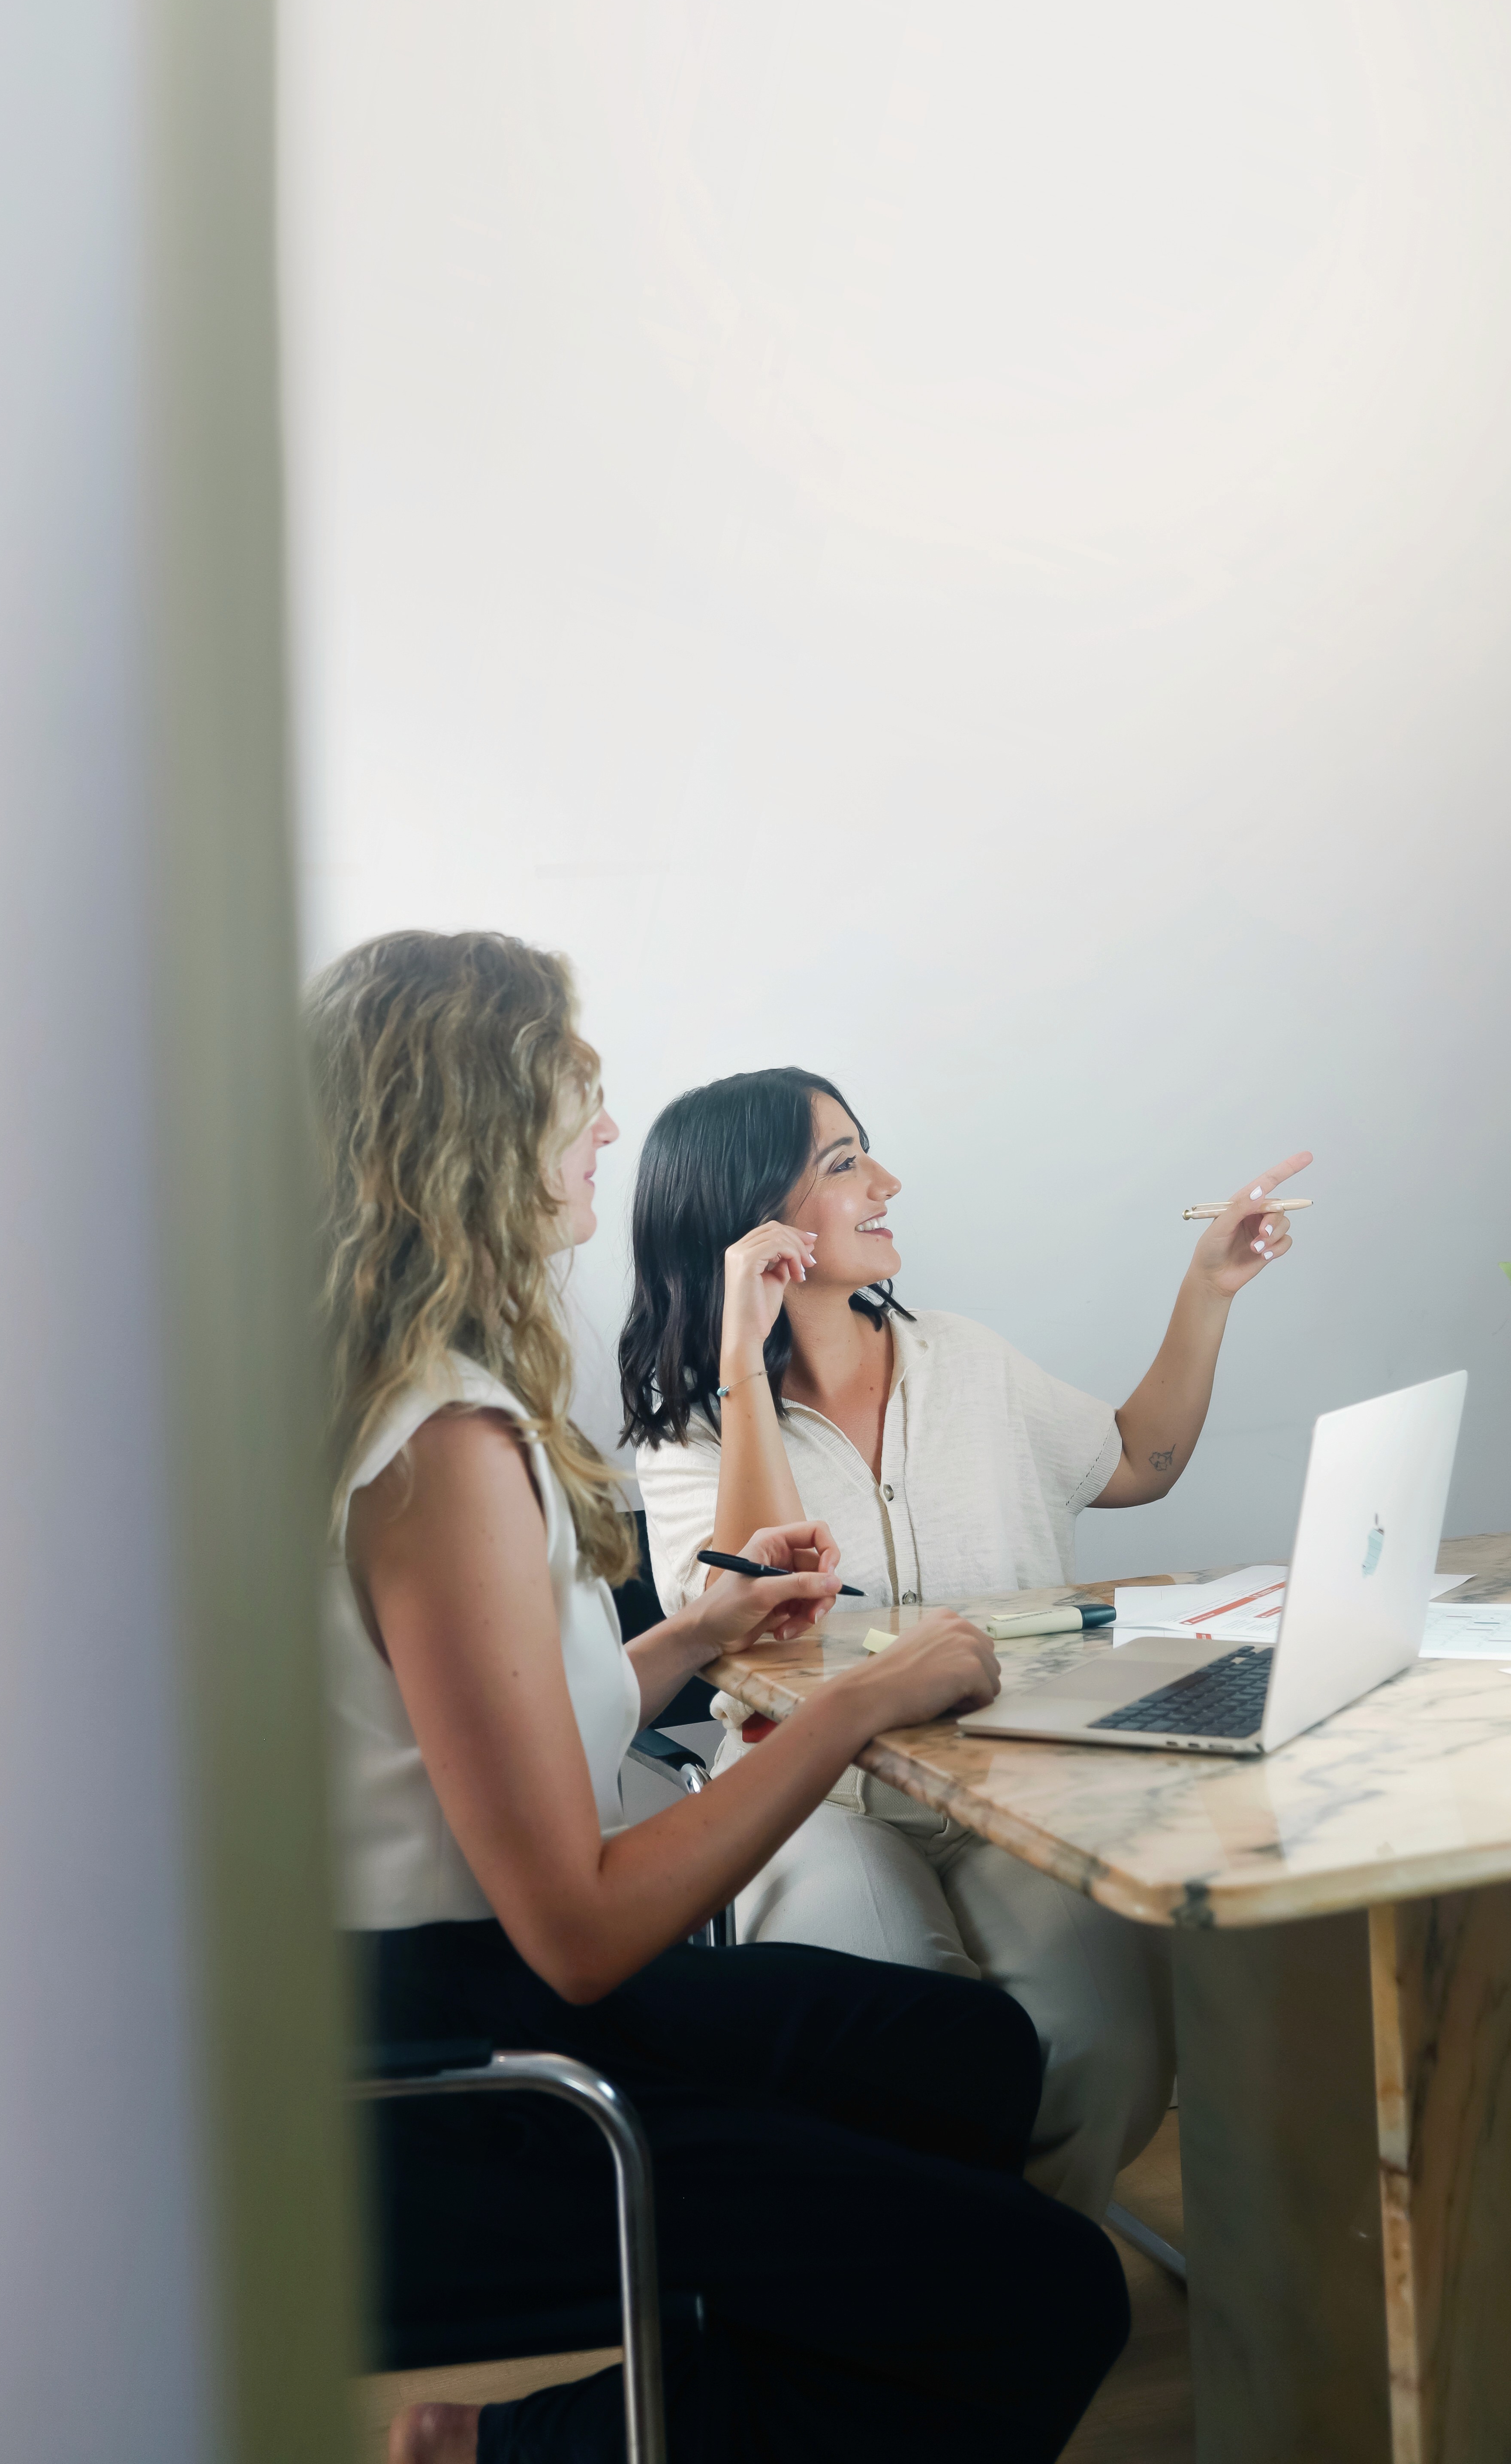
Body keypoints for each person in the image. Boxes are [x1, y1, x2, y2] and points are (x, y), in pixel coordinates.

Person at [310, 933, 1128, 2464]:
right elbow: (582, 1926)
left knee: (974, 2062)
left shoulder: (413, 1398)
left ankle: (776, 2358)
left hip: (457, 1983)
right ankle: (519, 2452)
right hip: (462, 2062)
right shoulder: (448, 1453)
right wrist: (855, 1701)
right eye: (577, 1097)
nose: (606, 1135)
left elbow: (496, 1740)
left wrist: (699, 1635)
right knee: (1054, 2296)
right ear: (477, 1130)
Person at [620, 1065, 1309, 2223]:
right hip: (811, 1797)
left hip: (1010, 1779)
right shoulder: (689, 1430)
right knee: (914, 2039)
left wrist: (1211, 1288)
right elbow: (751, 1610)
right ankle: (951, 2299)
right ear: (754, 1217)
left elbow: (1138, 1462)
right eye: (844, 1165)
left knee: (1106, 2047)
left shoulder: (970, 1364)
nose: (887, 1183)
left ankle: (997, 2280)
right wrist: (743, 1361)